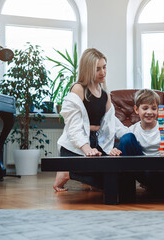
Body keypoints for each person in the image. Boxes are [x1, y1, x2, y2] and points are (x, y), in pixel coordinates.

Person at [53, 48, 129, 192]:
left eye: (104, 67)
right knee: (106, 183)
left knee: (115, 180)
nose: (103, 72)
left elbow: (111, 124)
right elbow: (73, 127)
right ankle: (66, 172)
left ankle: (72, 172)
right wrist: (87, 149)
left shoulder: (106, 94)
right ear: (88, 69)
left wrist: (113, 146)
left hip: (96, 143)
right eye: (98, 69)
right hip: (75, 147)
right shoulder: (78, 89)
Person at [118, 89, 164, 195]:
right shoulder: (133, 129)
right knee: (126, 138)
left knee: (159, 192)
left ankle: (154, 187)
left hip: (161, 172)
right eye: (145, 108)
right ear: (136, 109)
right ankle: (126, 190)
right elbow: (126, 148)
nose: (149, 112)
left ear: (158, 110)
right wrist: (117, 150)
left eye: (154, 108)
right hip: (142, 170)